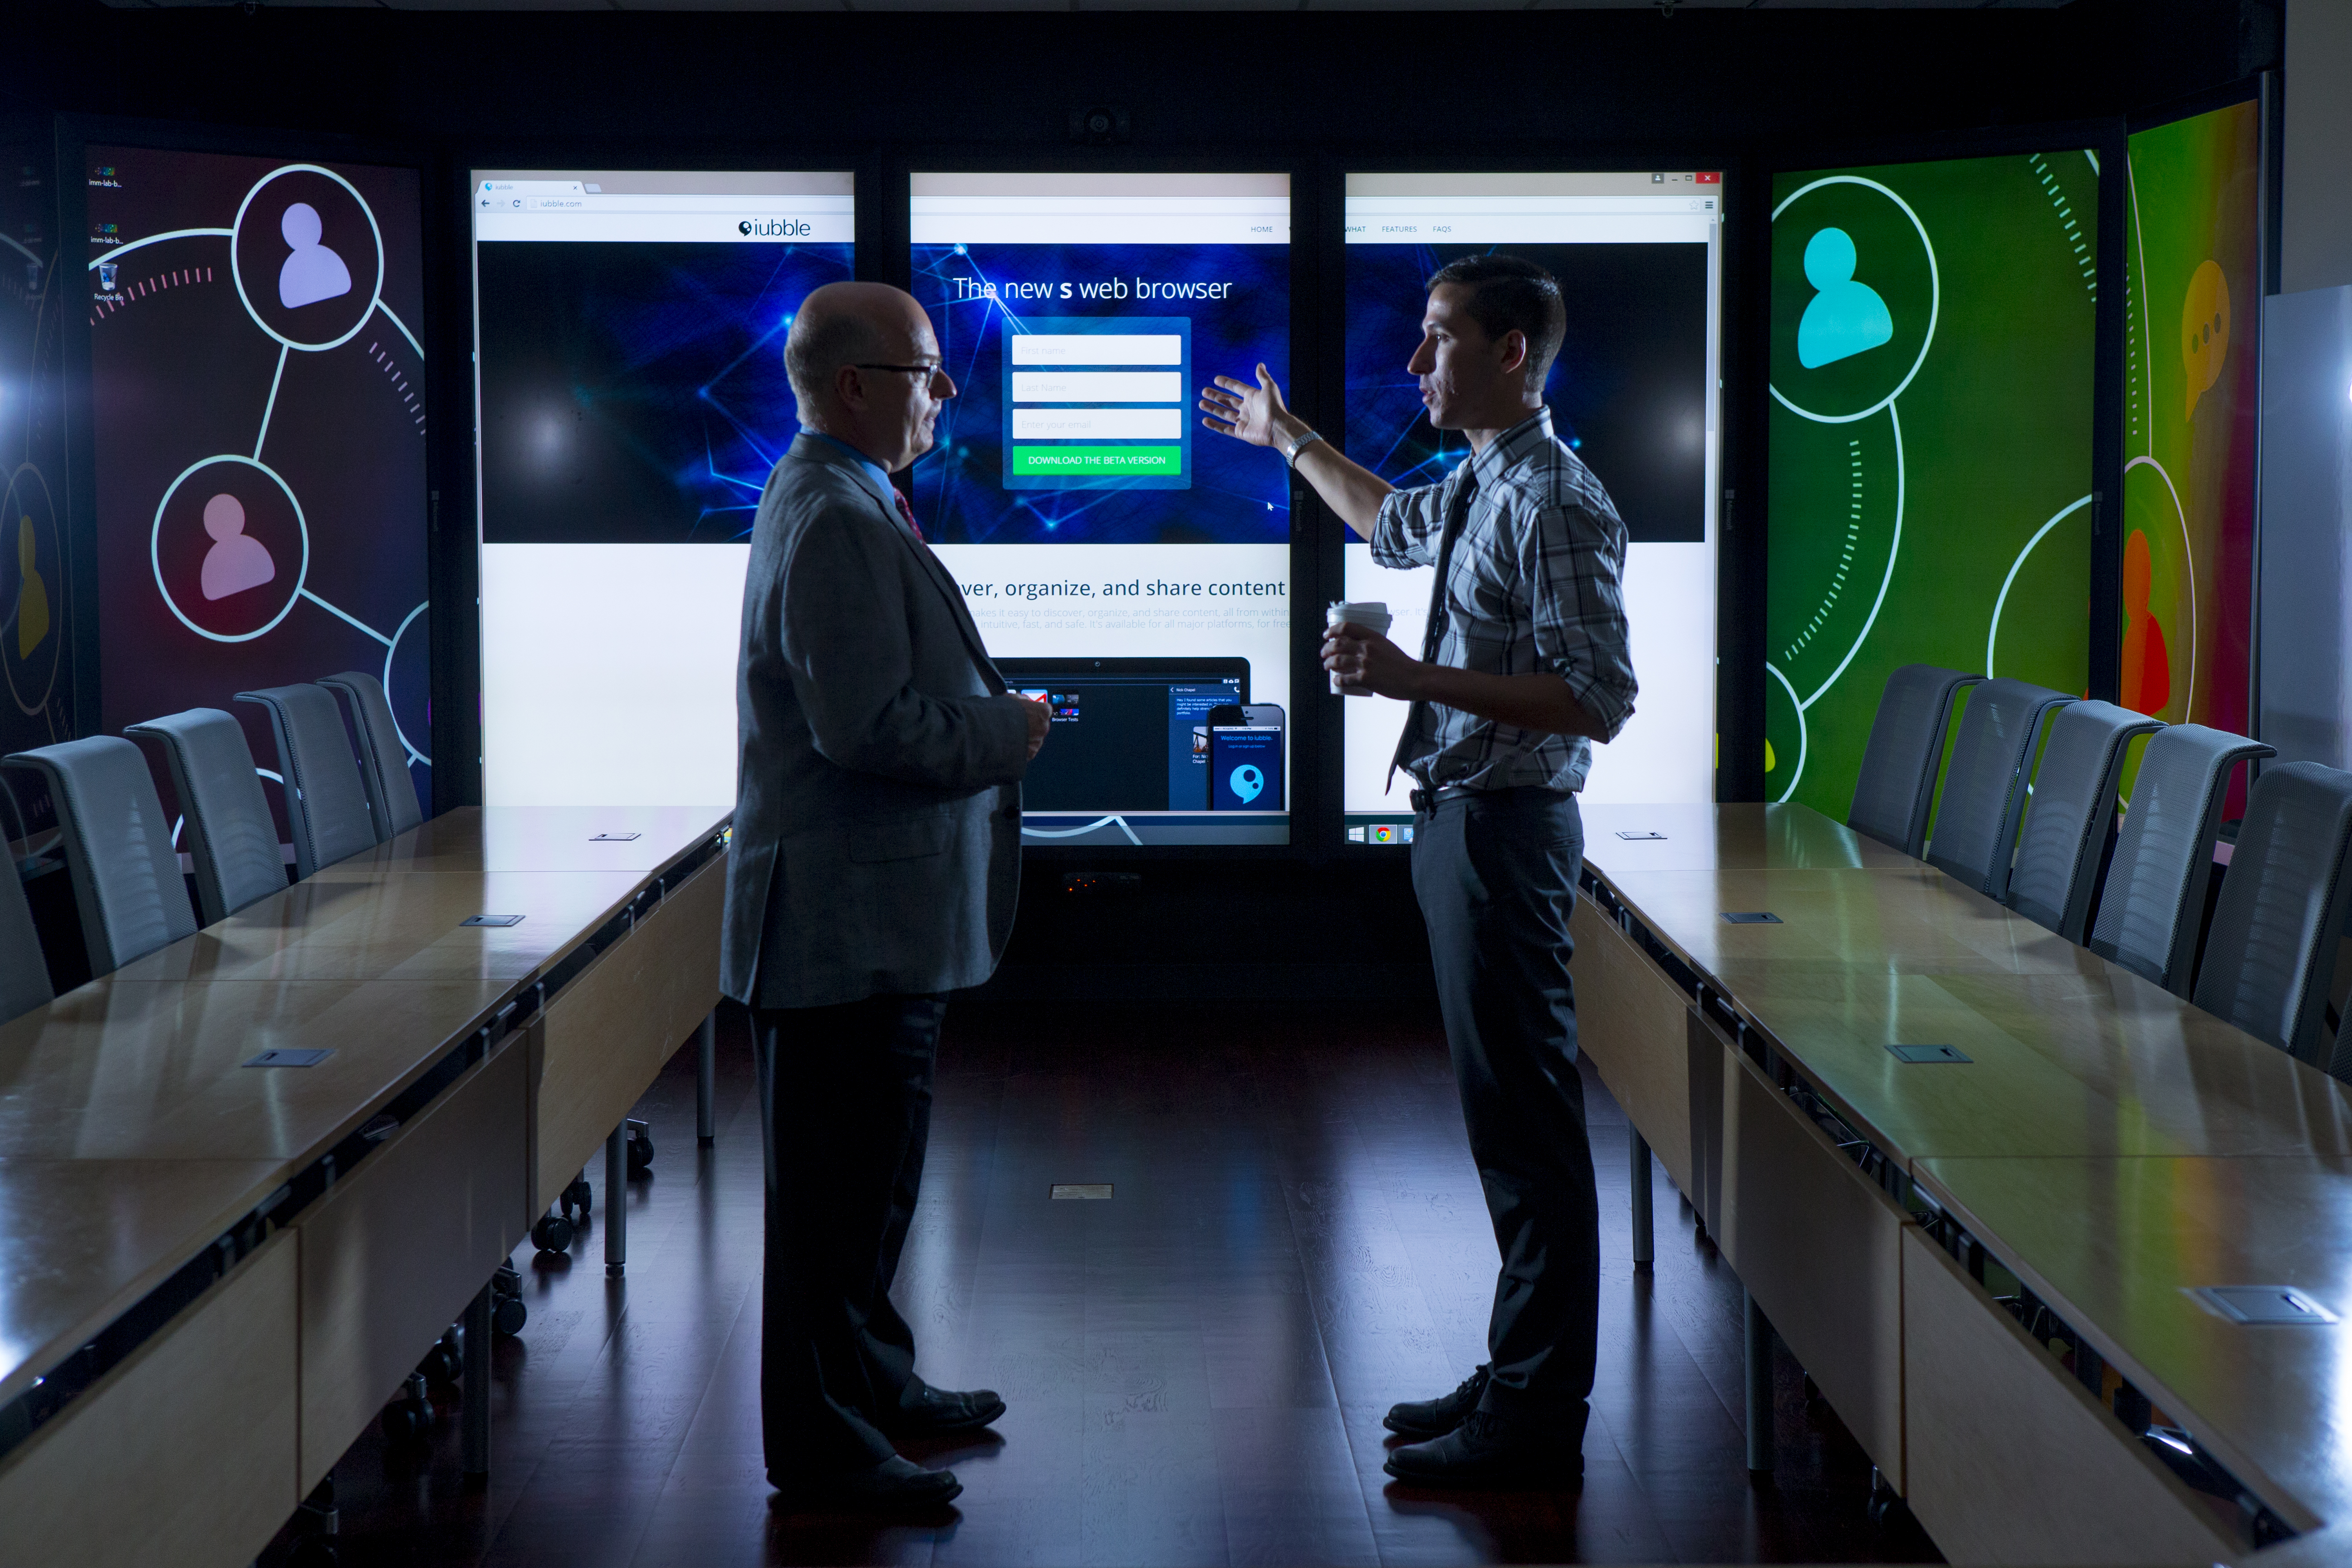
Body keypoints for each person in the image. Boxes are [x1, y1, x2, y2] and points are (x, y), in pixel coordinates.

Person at [1200, 254, 1637, 1488]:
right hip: (1463, 826)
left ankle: (1539, 1412)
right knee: (1504, 1121)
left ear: (1510, 354)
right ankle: (1518, 1372)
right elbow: (1386, 520)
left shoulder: (1556, 500)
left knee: (1530, 1130)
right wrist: (1288, 440)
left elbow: (1596, 698)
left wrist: (1412, 684)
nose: (1413, 362)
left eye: (1437, 339)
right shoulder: (1482, 481)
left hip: (1507, 832)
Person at [720, 280, 1051, 1512]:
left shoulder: (841, 494)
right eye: (927, 371)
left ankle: (875, 1385)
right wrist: (1003, 735)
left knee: (868, 1188)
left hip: (875, 926)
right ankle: (818, 1448)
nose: (948, 391)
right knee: (828, 1206)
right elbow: (866, 727)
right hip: (840, 932)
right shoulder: (838, 517)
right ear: (855, 386)